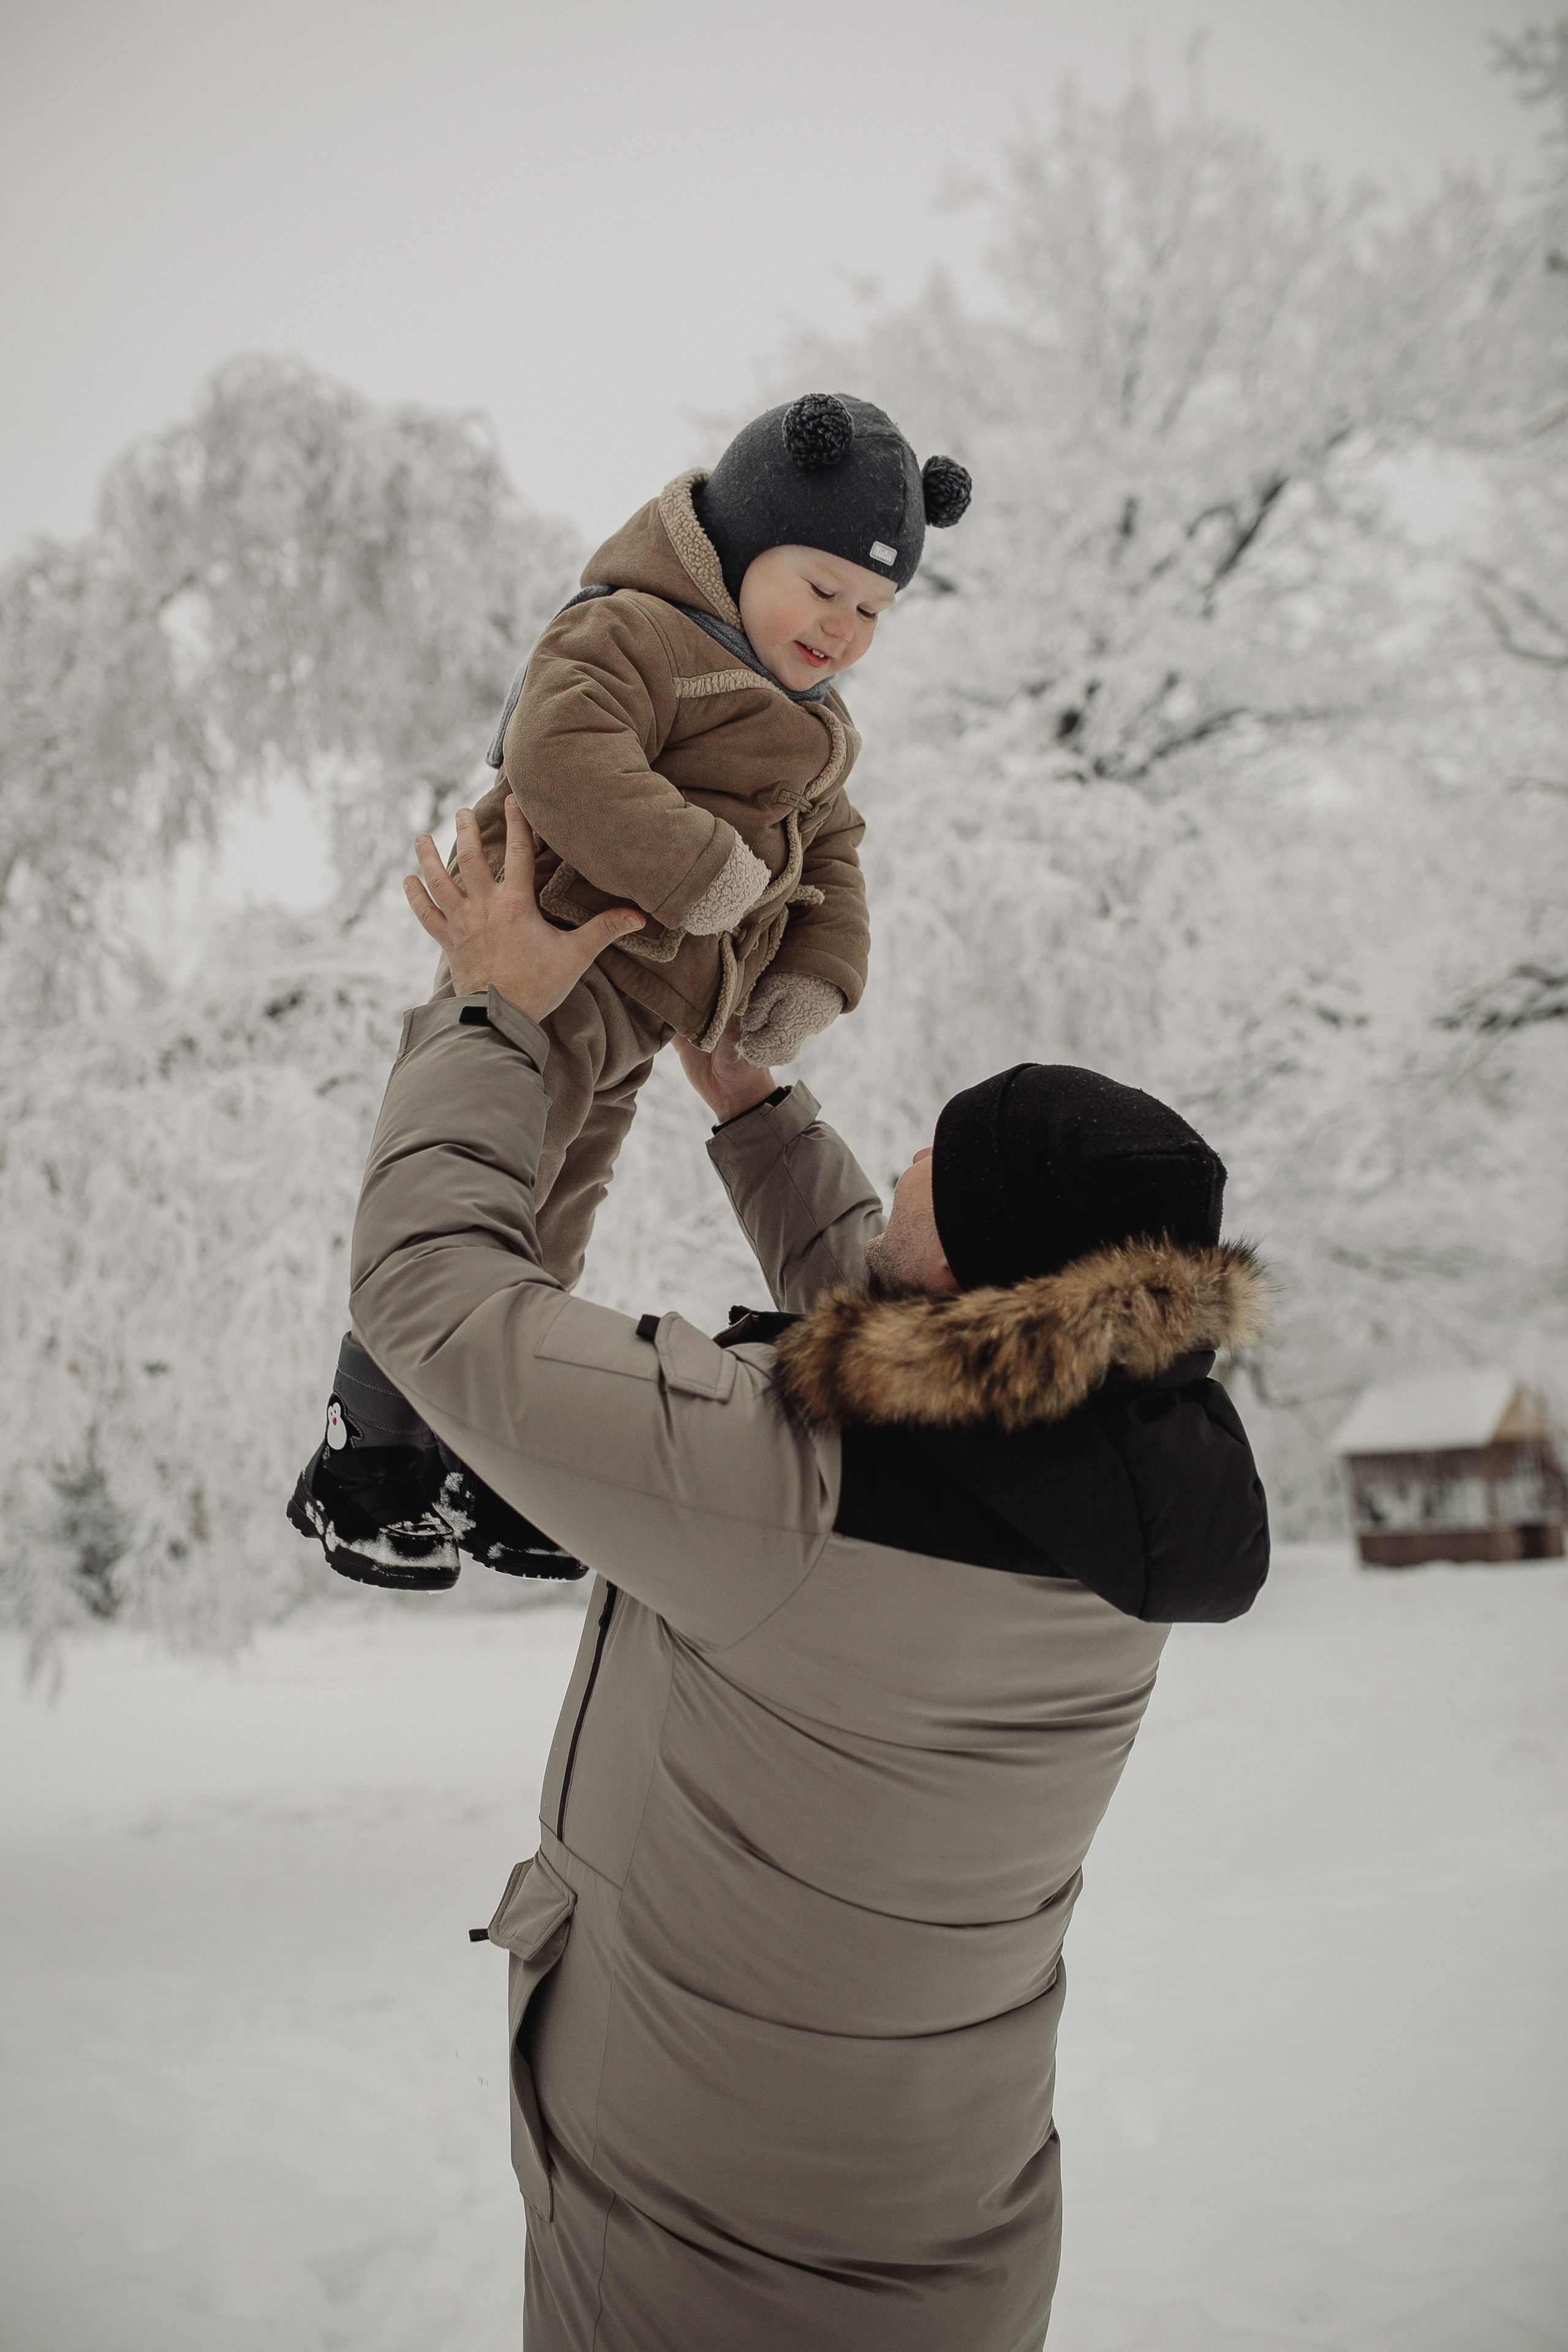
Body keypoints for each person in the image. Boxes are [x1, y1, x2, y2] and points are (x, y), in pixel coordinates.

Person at [347, 801, 1272, 2352]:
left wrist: (494, 1009)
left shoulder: (781, 1498)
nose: (906, 1153)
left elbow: (430, 1301)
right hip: (936, 2234)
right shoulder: (1129, 1495)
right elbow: (921, 1348)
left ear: (979, 1278)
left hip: (701, 2258)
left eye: (942, 1162)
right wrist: (753, 1107)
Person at [288, 390, 973, 1589]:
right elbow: (560, 755)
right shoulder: (633, 632)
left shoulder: (819, 730)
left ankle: (494, 1468)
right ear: (744, 544)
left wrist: (813, 970)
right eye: (820, 588)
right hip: (534, 956)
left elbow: (836, 854)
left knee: (550, 1221)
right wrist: (701, 872)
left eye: (873, 608)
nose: (844, 627)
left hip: (640, 1009)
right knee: (477, 1194)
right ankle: (369, 1458)